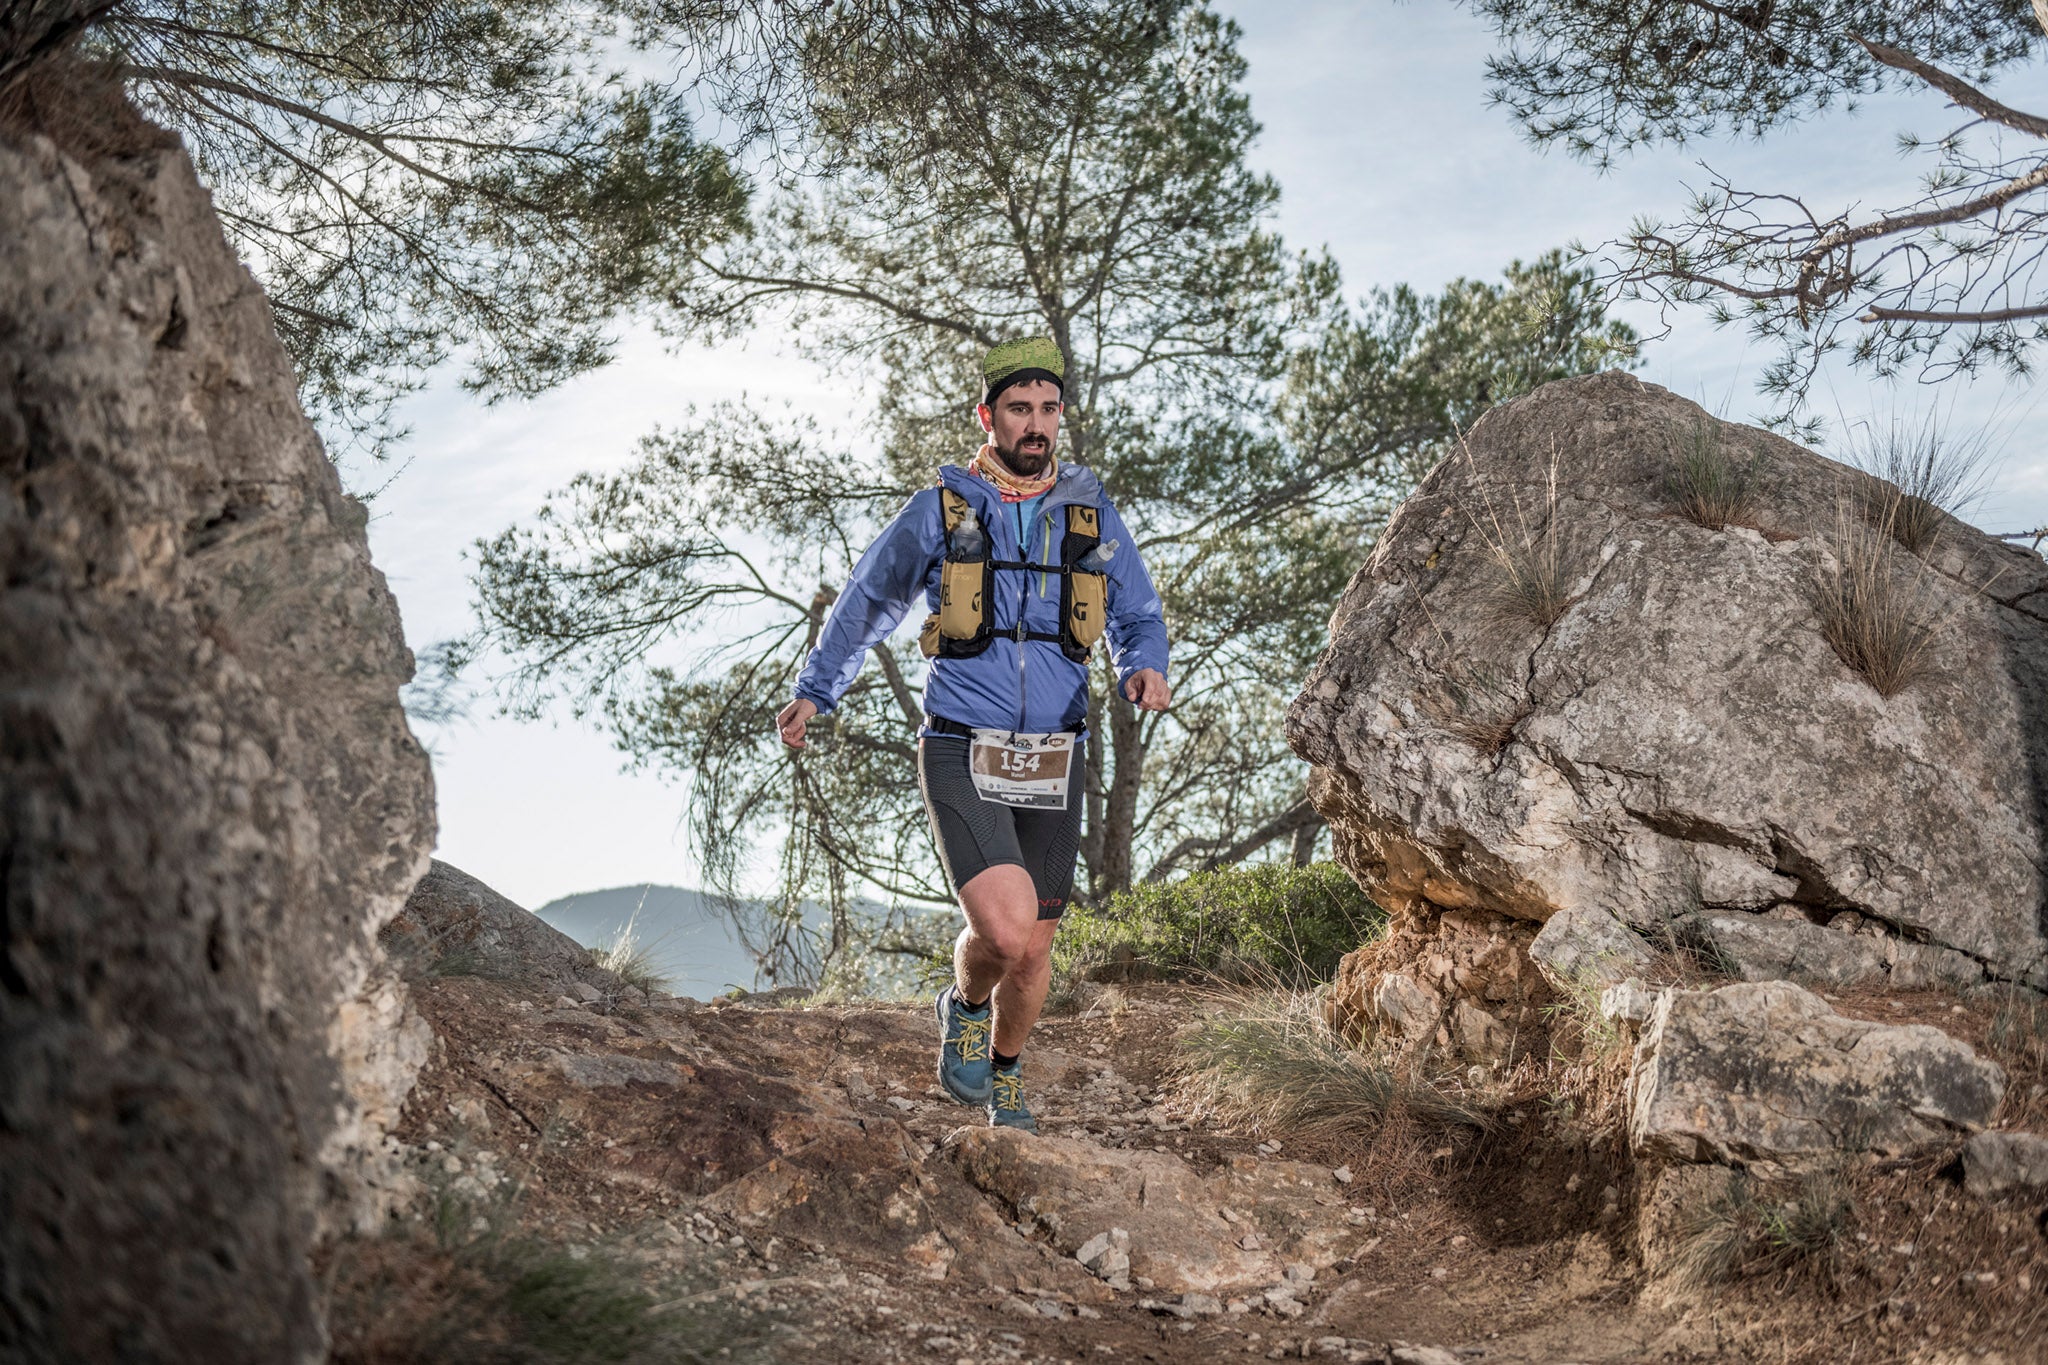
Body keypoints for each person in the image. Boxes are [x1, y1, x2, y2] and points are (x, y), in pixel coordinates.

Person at [775, 336, 1170, 1132]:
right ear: (987, 416)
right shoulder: (941, 510)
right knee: (1006, 926)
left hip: (1058, 752)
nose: (1036, 425)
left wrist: (1145, 663)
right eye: (1019, 410)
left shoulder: (1091, 514)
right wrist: (817, 689)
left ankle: (1007, 1069)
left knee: (1031, 949)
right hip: (961, 742)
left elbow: (1136, 613)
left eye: (1048, 410)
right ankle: (962, 1002)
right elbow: (865, 603)